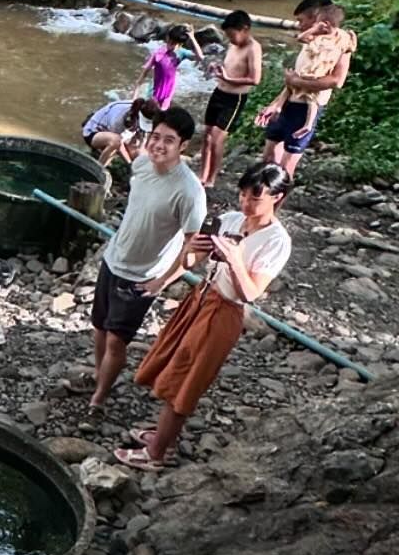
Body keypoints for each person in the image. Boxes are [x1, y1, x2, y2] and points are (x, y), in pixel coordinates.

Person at [116, 162, 293, 470]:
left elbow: (251, 293)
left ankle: (156, 454)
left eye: (255, 198)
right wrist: (192, 249)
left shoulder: (277, 241)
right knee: (173, 364)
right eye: (242, 196)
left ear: (276, 198)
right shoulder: (232, 220)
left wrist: (235, 259)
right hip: (201, 297)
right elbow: (191, 261)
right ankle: (162, 438)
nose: (245, 204)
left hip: (225, 310)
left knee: (187, 380)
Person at [89, 106, 207, 414]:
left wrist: (161, 281)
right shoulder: (141, 165)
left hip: (143, 275)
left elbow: (196, 247)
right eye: (155, 137)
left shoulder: (189, 192)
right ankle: (96, 374)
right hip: (114, 259)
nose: (159, 145)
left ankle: (99, 397)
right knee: (99, 328)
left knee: (117, 340)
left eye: (169, 140)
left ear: (183, 146)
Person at [257, 0, 357, 175]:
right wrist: (276, 104)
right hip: (289, 101)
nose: (299, 25)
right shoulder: (311, 40)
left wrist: (297, 82)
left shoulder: (339, 43)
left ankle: (275, 201)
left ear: (316, 19)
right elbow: (296, 76)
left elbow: (337, 81)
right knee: (268, 159)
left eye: (301, 20)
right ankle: (262, 200)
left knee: (285, 169)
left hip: (307, 107)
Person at [198, 10, 263, 188]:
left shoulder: (253, 48)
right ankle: (202, 175)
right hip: (219, 92)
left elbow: (255, 79)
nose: (230, 39)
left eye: (232, 35)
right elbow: (229, 65)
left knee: (217, 138)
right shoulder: (233, 45)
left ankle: (211, 178)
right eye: (228, 35)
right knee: (207, 136)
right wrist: (217, 67)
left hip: (234, 98)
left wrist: (230, 80)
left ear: (245, 29)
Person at [135, 24, 202, 112]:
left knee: (162, 113)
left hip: (169, 89)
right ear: (167, 38)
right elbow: (143, 75)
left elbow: (200, 57)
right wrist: (134, 98)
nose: (172, 45)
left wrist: (192, 38)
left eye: (176, 44)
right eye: (171, 42)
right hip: (155, 89)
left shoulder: (181, 53)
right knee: (149, 111)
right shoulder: (158, 53)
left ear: (181, 44)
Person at [83, 98, 160, 168]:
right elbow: (119, 144)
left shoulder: (140, 112)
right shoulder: (120, 118)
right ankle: (99, 169)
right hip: (94, 132)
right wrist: (129, 163)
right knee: (115, 142)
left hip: (116, 134)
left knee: (139, 155)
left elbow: (142, 142)